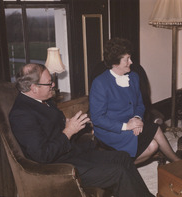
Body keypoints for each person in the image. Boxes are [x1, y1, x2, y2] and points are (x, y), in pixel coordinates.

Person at [9, 63, 155, 197]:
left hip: (71, 152)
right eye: (49, 82)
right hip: (57, 167)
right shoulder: (21, 114)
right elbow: (42, 155)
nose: (53, 84)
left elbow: (52, 125)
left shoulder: (43, 100)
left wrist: (79, 125)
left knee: (122, 157)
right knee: (118, 172)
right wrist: (69, 131)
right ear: (34, 88)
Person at [89, 37, 180, 164]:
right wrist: (127, 126)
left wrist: (137, 118)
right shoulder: (100, 83)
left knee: (153, 146)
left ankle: (121, 167)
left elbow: (140, 104)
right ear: (115, 63)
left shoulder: (134, 77)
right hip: (111, 132)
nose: (131, 62)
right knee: (155, 129)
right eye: (127, 59)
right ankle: (177, 162)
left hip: (132, 124)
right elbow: (97, 118)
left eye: (130, 58)